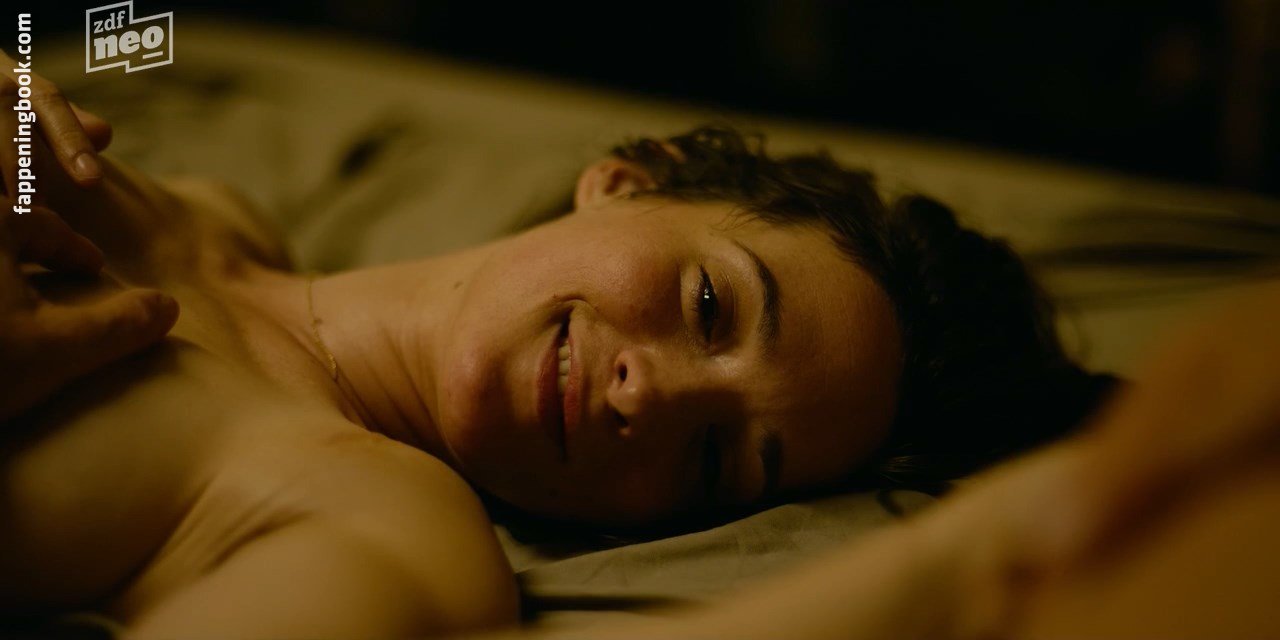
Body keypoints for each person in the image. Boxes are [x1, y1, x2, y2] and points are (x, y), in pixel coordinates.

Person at [1, 58, 1110, 638]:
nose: (650, 396)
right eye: (710, 307)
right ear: (630, 180)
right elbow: (119, 21)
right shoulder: (213, 209)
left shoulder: (382, 524)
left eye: (713, 459)